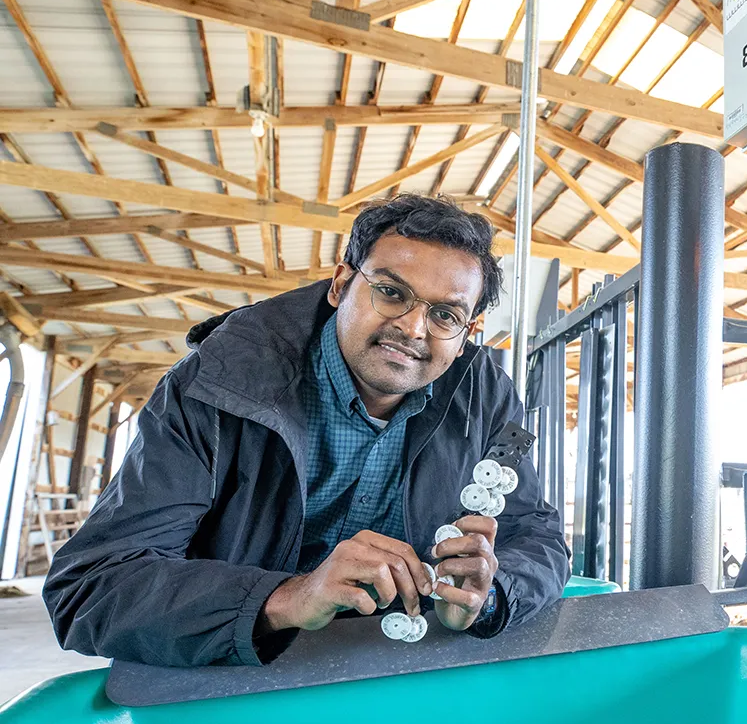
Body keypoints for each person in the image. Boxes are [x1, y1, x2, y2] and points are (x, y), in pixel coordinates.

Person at [43, 195, 571, 667]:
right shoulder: (219, 382)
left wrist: (489, 594)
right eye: (390, 292)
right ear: (342, 285)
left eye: (445, 315)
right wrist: (288, 597)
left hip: (394, 673)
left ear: (468, 330)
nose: (413, 328)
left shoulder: (486, 396)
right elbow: (90, 588)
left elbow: (539, 536)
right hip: (230, 678)